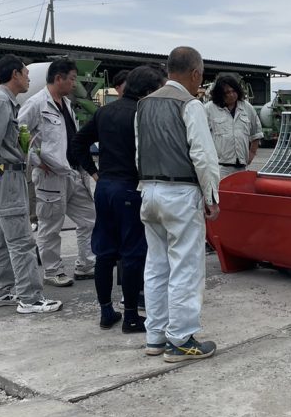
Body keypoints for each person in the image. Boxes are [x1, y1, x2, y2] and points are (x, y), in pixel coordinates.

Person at [135, 46, 220, 362]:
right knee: (186, 267)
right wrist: (211, 196)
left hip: (149, 190)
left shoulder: (143, 105)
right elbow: (203, 156)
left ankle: (155, 336)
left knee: (156, 267)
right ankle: (181, 339)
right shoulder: (191, 105)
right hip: (181, 193)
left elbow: (138, 151)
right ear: (196, 73)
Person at [72, 64, 165, 332]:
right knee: (133, 253)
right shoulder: (143, 114)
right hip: (130, 189)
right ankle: (132, 316)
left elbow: (78, 142)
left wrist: (94, 172)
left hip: (105, 188)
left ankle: (105, 312)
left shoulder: (104, 111)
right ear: (149, 89)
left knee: (104, 252)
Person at [0, 55, 62, 315]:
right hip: (5, 175)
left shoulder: (2, 100)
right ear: (15, 75)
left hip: (4, 175)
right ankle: (30, 298)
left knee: (2, 237)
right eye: (25, 73)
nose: (28, 78)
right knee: (22, 240)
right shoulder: (1, 101)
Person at [18, 58, 96, 288]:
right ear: (58, 78)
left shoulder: (66, 104)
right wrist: (35, 160)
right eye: (72, 79)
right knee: (51, 225)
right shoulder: (36, 104)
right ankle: (52, 270)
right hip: (50, 175)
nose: (74, 84)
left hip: (72, 172)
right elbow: (18, 134)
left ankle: (86, 264)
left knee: (89, 218)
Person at [205, 73, 263, 180]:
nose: (231, 95)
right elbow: (201, 137)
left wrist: (251, 153)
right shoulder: (209, 109)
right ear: (219, 93)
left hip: (241, 168)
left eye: (234, 91)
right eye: (227, 92)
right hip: (220, 168)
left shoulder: (247, 108)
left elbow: (256, 133)